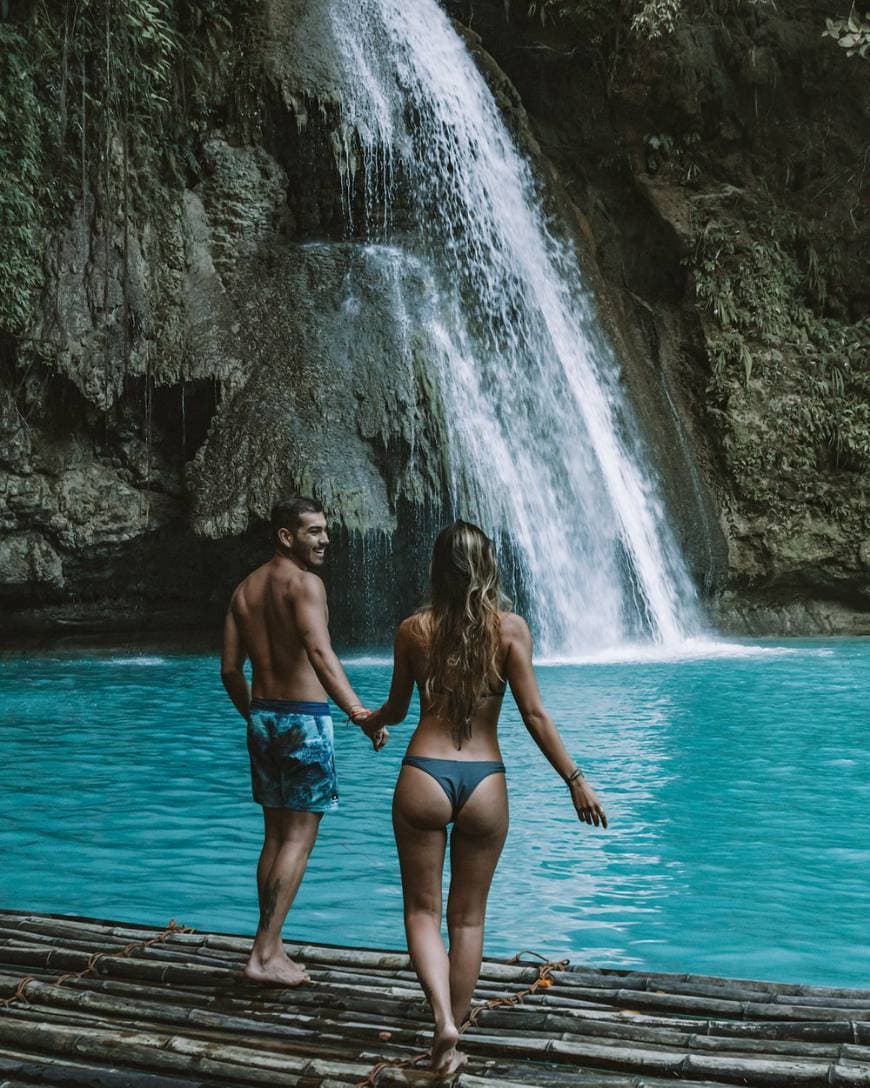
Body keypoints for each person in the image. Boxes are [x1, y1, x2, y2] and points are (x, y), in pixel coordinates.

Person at [363, 520, 607, 1074]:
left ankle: (442, 1021)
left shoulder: (413, 630)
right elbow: (535, 715)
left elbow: (398, 710)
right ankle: (458, 1028)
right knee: (468, 919)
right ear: (487, 566)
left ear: (437, 568)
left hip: (423, 774)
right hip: (485, 781)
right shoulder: (511, 630)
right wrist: (576, 781)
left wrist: (371, 721)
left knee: (421, 911)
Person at [220, 496, 386, 987]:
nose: (325, 539)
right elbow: (319, 651)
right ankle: (264, 954)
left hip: (264, 718)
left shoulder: (244, 590)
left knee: (274, 837)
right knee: (298, 839)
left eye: (326, 530)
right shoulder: (306, 585)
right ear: (285, 536)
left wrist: (255, 715)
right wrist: (360, 713)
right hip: (305, 722)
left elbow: (229, 670)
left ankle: (269, 944)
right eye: (313, 531)